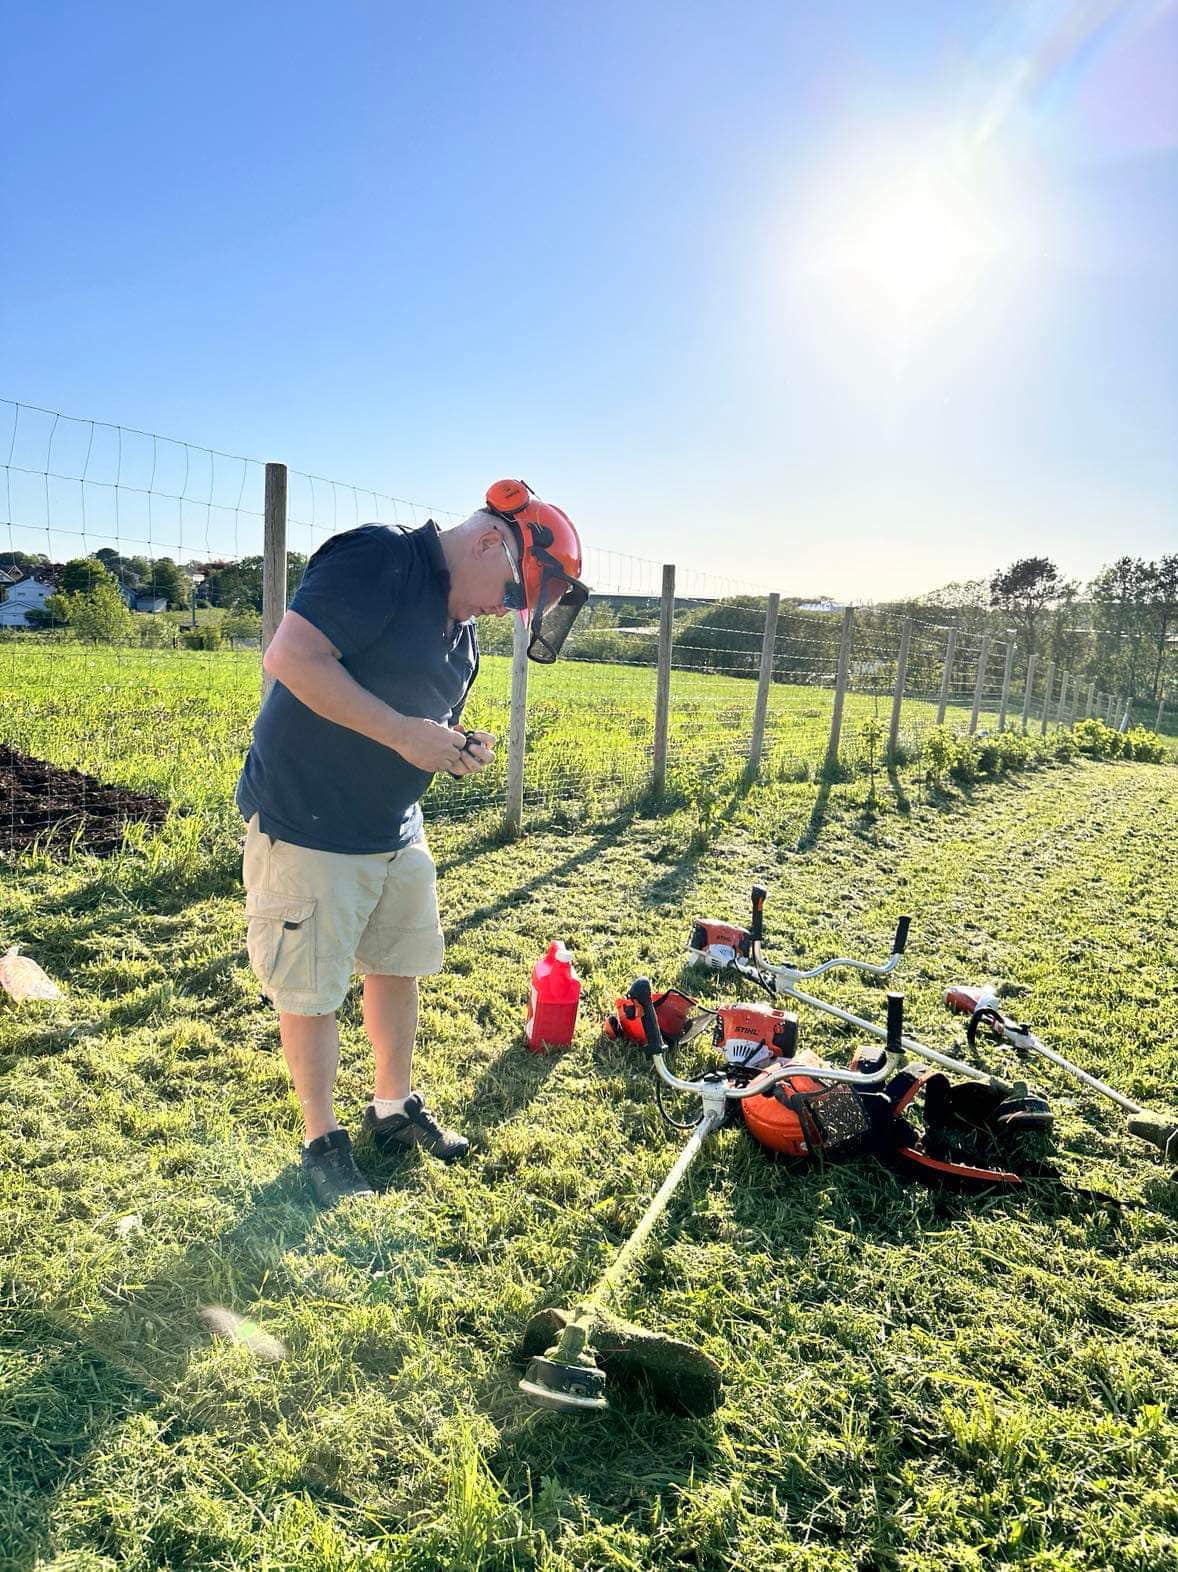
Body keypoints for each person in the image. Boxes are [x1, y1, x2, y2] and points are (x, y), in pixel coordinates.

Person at [236, 480, 587, 1206]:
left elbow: (417, 721)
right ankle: (320, 1139)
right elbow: (293, 659)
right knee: (312, 990)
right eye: (514, 593)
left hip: (394, 829)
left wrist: (454, 746)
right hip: (310, 823)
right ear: (491, 540)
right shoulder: (380, 559)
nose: (509, 612)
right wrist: (405, 733)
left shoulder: (460, 634)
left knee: (397, 966)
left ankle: (392, 1107)